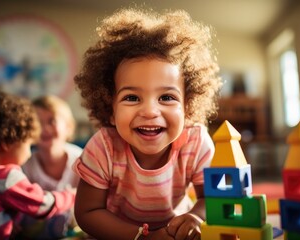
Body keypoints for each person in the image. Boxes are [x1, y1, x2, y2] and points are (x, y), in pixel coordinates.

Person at [73, 7, 222, 240]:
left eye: (166, 97)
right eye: (132, 98)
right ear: (110, 109)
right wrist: (142, 238)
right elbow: (88, 212)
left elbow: (209, 199)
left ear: (188, 106)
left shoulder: (196, 142)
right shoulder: (103, 147)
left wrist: (197, 217)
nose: (150, 111)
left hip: (177, 233)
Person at [0, 91, 75, 239]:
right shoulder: (6, 178)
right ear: (6, 143)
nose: (30, 152)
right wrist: (73, 196)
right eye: (29, 144)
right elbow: (44, 206)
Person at [18, 95, 83, 239]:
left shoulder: (82, 160)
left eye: (51, 121)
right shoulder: (25, 165)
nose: (45, 128)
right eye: (38, 123)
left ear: (68, 127)